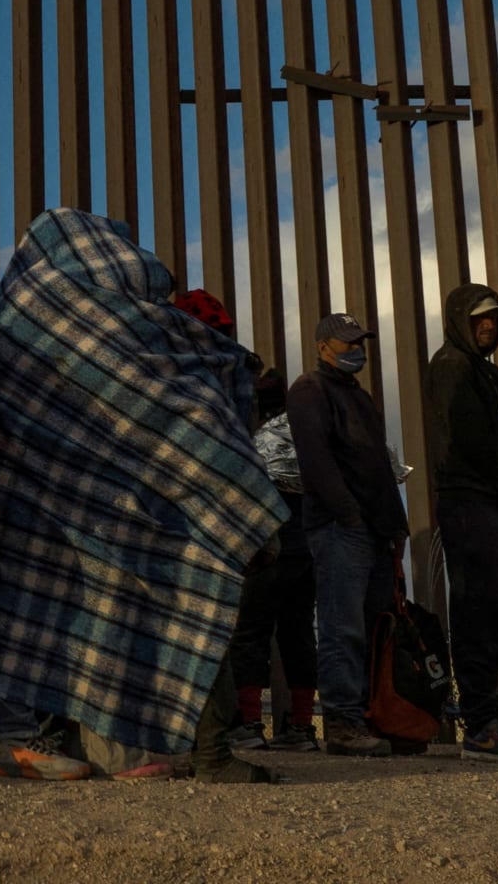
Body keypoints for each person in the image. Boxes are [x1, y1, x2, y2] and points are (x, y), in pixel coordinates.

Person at [0, 209, 286, 784]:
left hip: (49, 511)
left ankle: (63, 741)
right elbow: (194, 403)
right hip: (130, 500)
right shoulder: (136, 324)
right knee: (195, 587)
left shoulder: (7, 319)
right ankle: (206, 751)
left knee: (65, 617)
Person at [178, 289, 316, 754]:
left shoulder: (230, 416)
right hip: (299, 543)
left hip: (257, 541)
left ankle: (248, 725)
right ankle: (299, 727)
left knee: (250, 632)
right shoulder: (297, 432)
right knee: (297, 634)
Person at [425, 284, 498, 762]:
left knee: (497, 618)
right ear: (460, 321)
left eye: (495, 319)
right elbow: (469, 436)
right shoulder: (450, 366)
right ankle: (480, 726)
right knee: (475, 613)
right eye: (479, 319)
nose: (489, 327)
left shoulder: (493, 377)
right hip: (468, 503)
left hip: (495, 505)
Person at [288, 312, 409, 759]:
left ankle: (369, 716)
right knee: (343, 627)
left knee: (371, 626)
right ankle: (342, 721)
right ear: (323, 347)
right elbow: (316, 462)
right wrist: (349, 514)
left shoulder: (359, 397)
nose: (355, 350)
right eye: (346, 343)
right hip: (342, 528)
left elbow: (378, 466)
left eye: (359, 341)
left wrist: (395, 524)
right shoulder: (309, 391)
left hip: (373, 530)